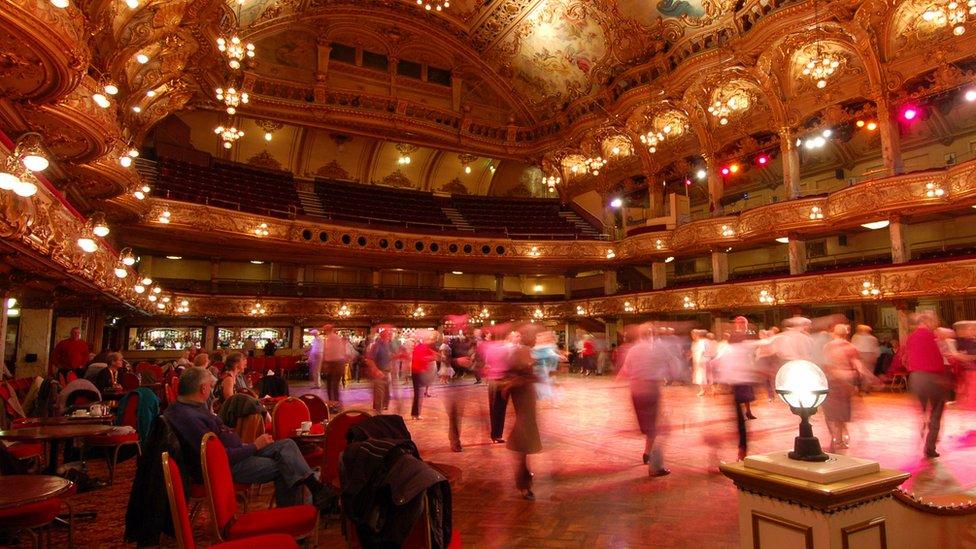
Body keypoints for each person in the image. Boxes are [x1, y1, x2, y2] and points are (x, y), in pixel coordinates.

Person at [164, 367, 335, 509]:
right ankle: (297, 518)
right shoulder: (189, 418)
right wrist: (254, 446)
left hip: (237, 453)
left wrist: (246, 446)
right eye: (209, 386)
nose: (210, 391)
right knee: (287, 467)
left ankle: (316, 489)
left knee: (287, 445)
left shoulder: (184, 409)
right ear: (202, 389)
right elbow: (216, 457)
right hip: (227, 465)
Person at [618, 323, 672, 476]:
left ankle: (647, 454)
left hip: (636, 392)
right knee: (661, 427)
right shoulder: (654, 350)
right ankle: (655, 467)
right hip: (650, 391)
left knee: (651, 427)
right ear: (651, 334)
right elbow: (667, 368)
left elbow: (626, 370)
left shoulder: (633, 350)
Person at [906, 312, 954, 458]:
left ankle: (922, 427)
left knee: (922, 410)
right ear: (926, 321)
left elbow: (904, 357)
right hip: (932, 378)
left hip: (915, 378)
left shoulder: (910, 337)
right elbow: (936, 357)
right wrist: (943, 377)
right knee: (936, 413)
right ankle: (930, 447)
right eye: (933, 320)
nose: (935, 323)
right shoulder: (930, 336)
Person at [504, 327, 542, 499]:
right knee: (523, 442)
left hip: (528, 400)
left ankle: (524, 481)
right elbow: (512, 380)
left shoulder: (526, 352)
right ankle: (524, 482)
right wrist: (514, 384)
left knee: (525, 441)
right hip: (523, 401)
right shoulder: (519, 354)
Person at [821, 324, 865, 451]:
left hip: (832, 381)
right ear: (846, 334)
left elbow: (826, 365)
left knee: (831, 413)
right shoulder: (850, 347)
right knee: (841, 413)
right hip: (846, 381)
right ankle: (840, 439)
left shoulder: (827, 347)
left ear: (834, 333)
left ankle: (835, 438)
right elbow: (859, 367)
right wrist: (857, 383)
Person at [410, 332, 438, 420]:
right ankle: (416, 414)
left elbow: (434, 356)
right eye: (429, 339)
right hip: (418, 372)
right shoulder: (421, 347)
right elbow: (421, 359)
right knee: (418, 394)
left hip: (418, 372)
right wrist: (431, 358)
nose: (431, 341)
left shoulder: (422, 347)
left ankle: (415, 414)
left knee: (418, 394)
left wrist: (433, 357)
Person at [364, 329, 393, 412]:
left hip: (387, 372)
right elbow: (369, 359)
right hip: (379, 372)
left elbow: (389, 357)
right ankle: (378, 412)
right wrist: (376, 370)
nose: (390, 336)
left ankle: (382, 407)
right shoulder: (376, 345)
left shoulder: (388, 345)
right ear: (383, 336)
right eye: (388, 334)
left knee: (386, 392)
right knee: (379, 394)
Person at [322, 325, 349, 407]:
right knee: (332, 385)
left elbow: (330, 352)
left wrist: (325, 363)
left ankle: (334, 403)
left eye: (325, 329)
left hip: (335, 364)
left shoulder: (331, 338)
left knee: (332, 385)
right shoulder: (334, 338)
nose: (324, 331)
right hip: (337, 364)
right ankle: (334, 402)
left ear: (328, 330)